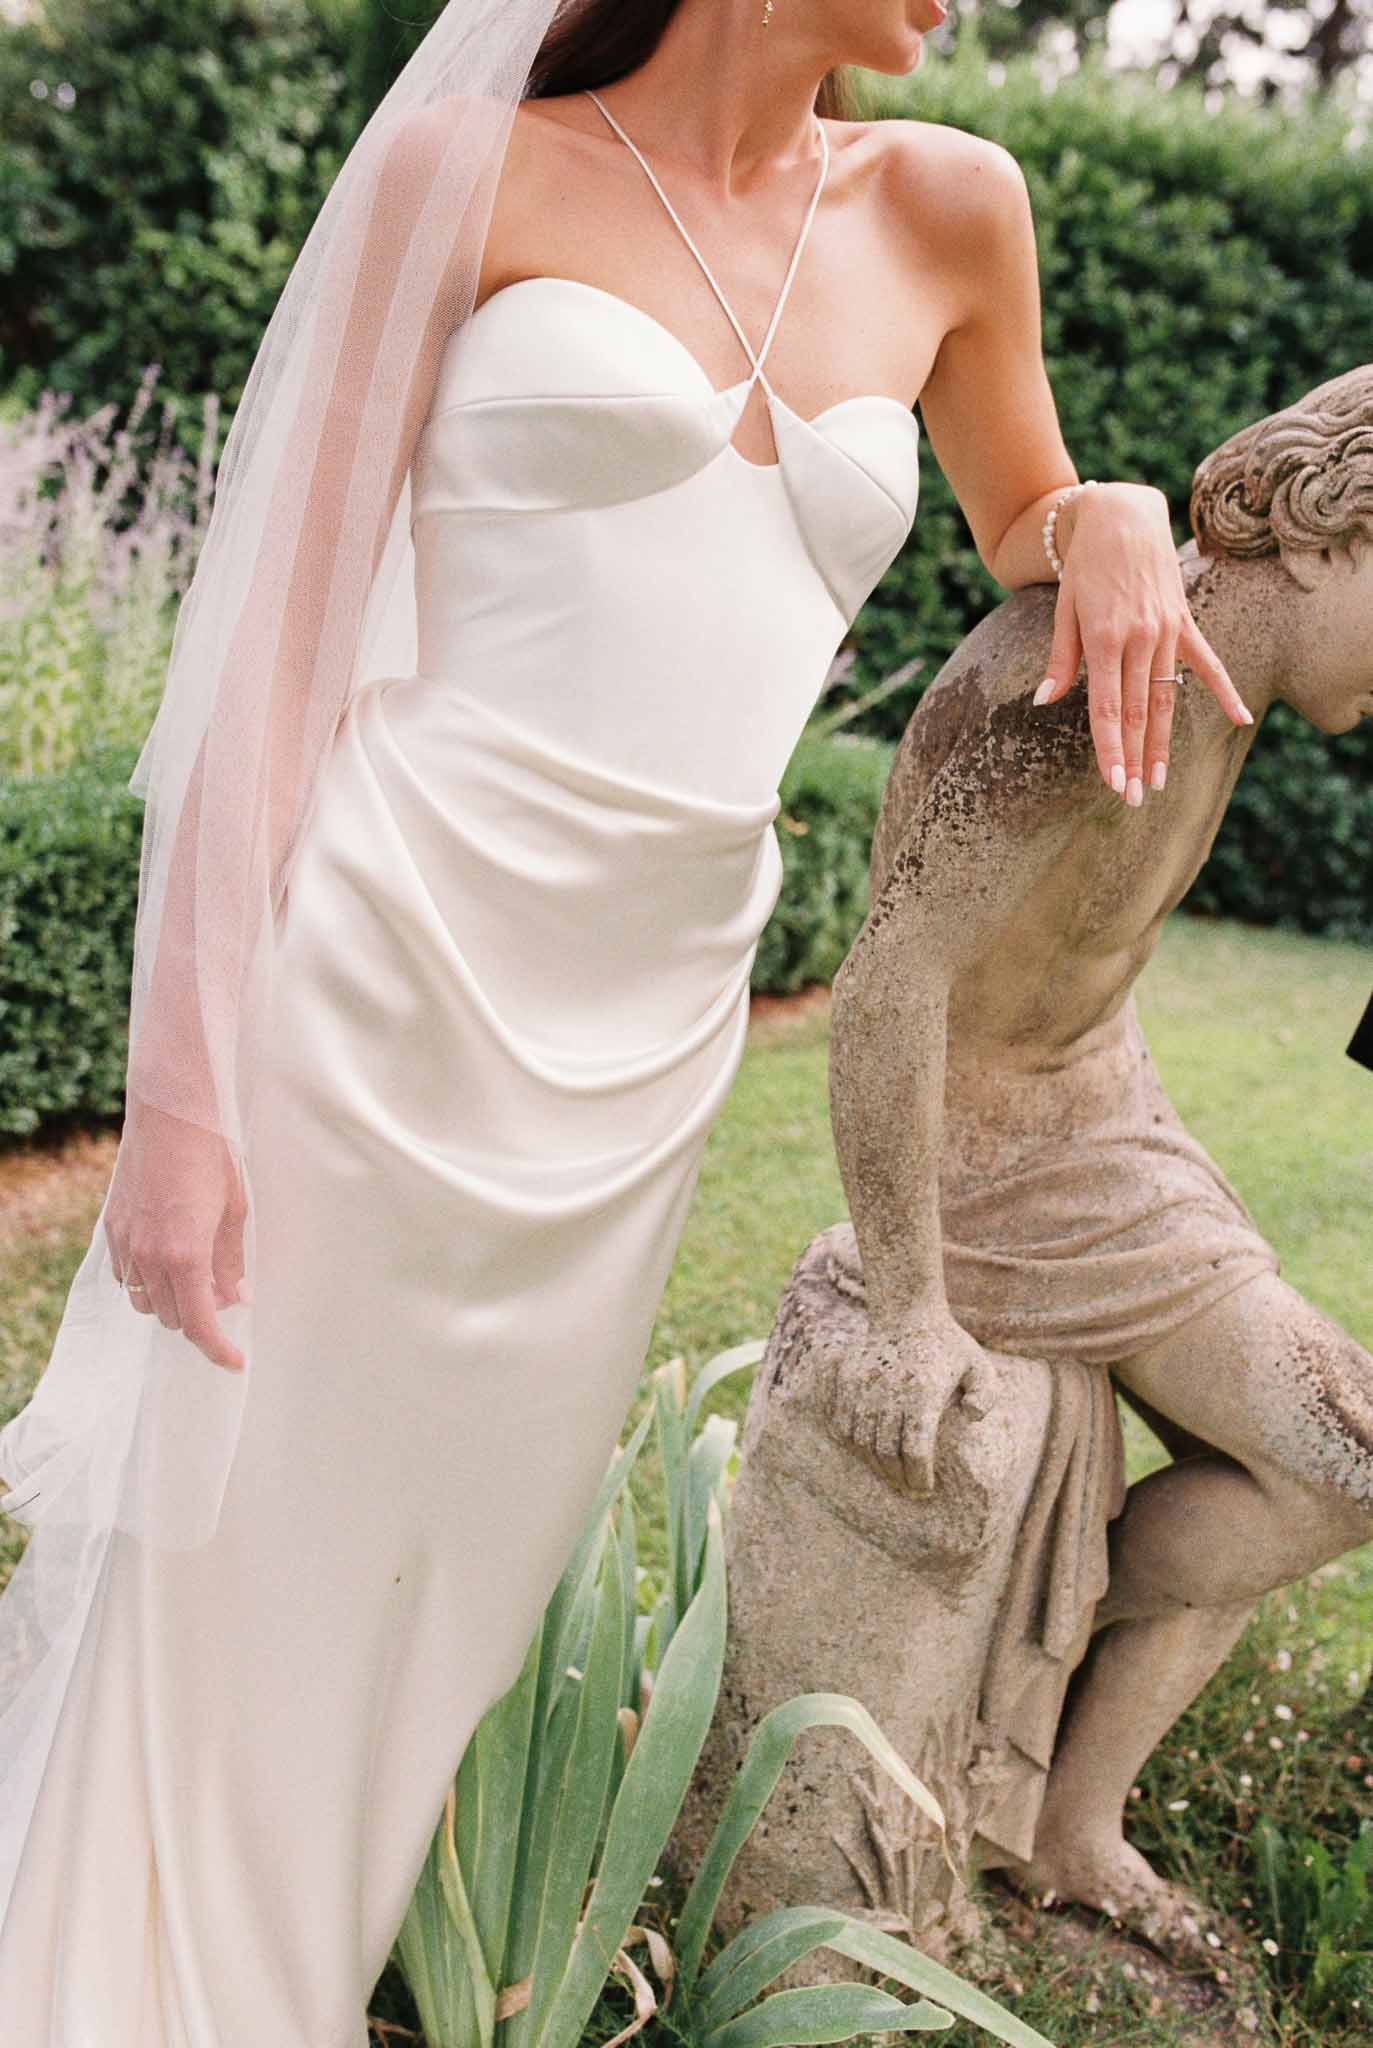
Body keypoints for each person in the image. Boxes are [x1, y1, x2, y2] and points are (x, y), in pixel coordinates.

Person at [0, 0, 1251, 2037]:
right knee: (229, 1602)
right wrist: (180, 1099)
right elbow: (274, 661)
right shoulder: (467, 171)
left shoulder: (953, 211)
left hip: (639, 1048)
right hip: (381, 985)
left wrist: (1107, 511)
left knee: (429, 1630)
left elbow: (1020, 511)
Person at [825, 359, 1373, 1963]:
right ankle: (1027, 1692)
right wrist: (905, 1300)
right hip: (993, 1165)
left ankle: (1069, 1813)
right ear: (1334, 530)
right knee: (1337, 1464)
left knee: (1342, 1461)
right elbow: (886, 982)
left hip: (1108, 1134)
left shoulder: (1210, 677)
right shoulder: (1087, 670)